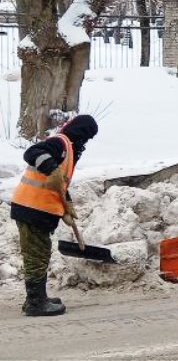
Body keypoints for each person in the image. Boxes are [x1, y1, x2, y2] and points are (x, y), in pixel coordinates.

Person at [10, 114, 99, 317]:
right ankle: (36, 302)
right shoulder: (60, 142)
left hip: (37, 210)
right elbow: (32, 152)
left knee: (40, 253)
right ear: (79, 131)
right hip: (30, 208)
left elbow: (57, 184)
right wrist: (51, 167)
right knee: (36, 256)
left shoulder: (68, 150)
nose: (86, 142)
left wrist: (65, 205)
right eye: (86, 136)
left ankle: (35, 299)